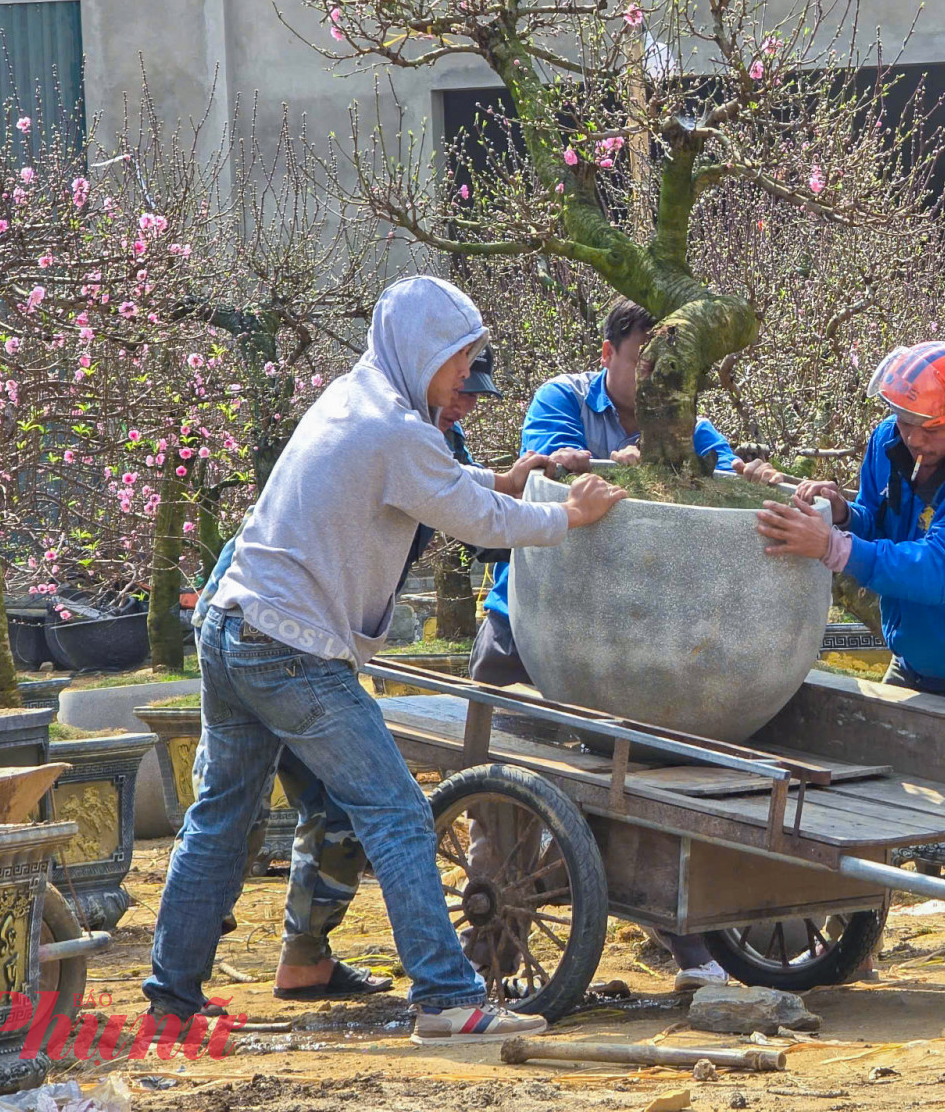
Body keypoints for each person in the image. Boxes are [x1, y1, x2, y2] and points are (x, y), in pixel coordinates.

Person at [144, 276, 628, 1046]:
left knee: (221, 817)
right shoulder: (397, 428)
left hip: (231, 626)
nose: (466, 379)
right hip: (288, 647)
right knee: (399, 810)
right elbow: (476, 517)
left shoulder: (357, 397)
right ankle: (445, 995)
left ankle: (170, 997)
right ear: (423, 350)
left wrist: (501, 476)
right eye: (459, 360)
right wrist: (569, 514)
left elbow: (437, 482)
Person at [469, 299, 782, 992]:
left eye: (668, 365)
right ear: (608, 354)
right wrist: (585, 459)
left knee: (661, 783)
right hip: (532, 627)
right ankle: (489, 956)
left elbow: (720, 468)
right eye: (643, 361)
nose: (655, 378)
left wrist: (744, 475)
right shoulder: (564, 397)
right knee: (504, 798)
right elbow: (547, 461)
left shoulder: (686, 422)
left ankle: (691, 946)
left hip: (639, 647)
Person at [189, 343, 511, 1004]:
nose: (465, 401)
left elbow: (483, 528)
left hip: (317, 632)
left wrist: (536, 487)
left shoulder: (440, 439)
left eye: (473, 391)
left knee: (336, 803)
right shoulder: (384, 426)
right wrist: (549, 509)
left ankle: (301, 959)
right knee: (237, 803)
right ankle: (193, 951)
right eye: (458, 385)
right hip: (269, 615)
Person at [755, 341, 945, 717]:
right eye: (905, 422)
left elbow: (939, 571)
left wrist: (833, 546)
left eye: (929, 429)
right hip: (913, 665)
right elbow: (878, 523)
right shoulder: (887, 441)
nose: (913, 439)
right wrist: (844, 514)